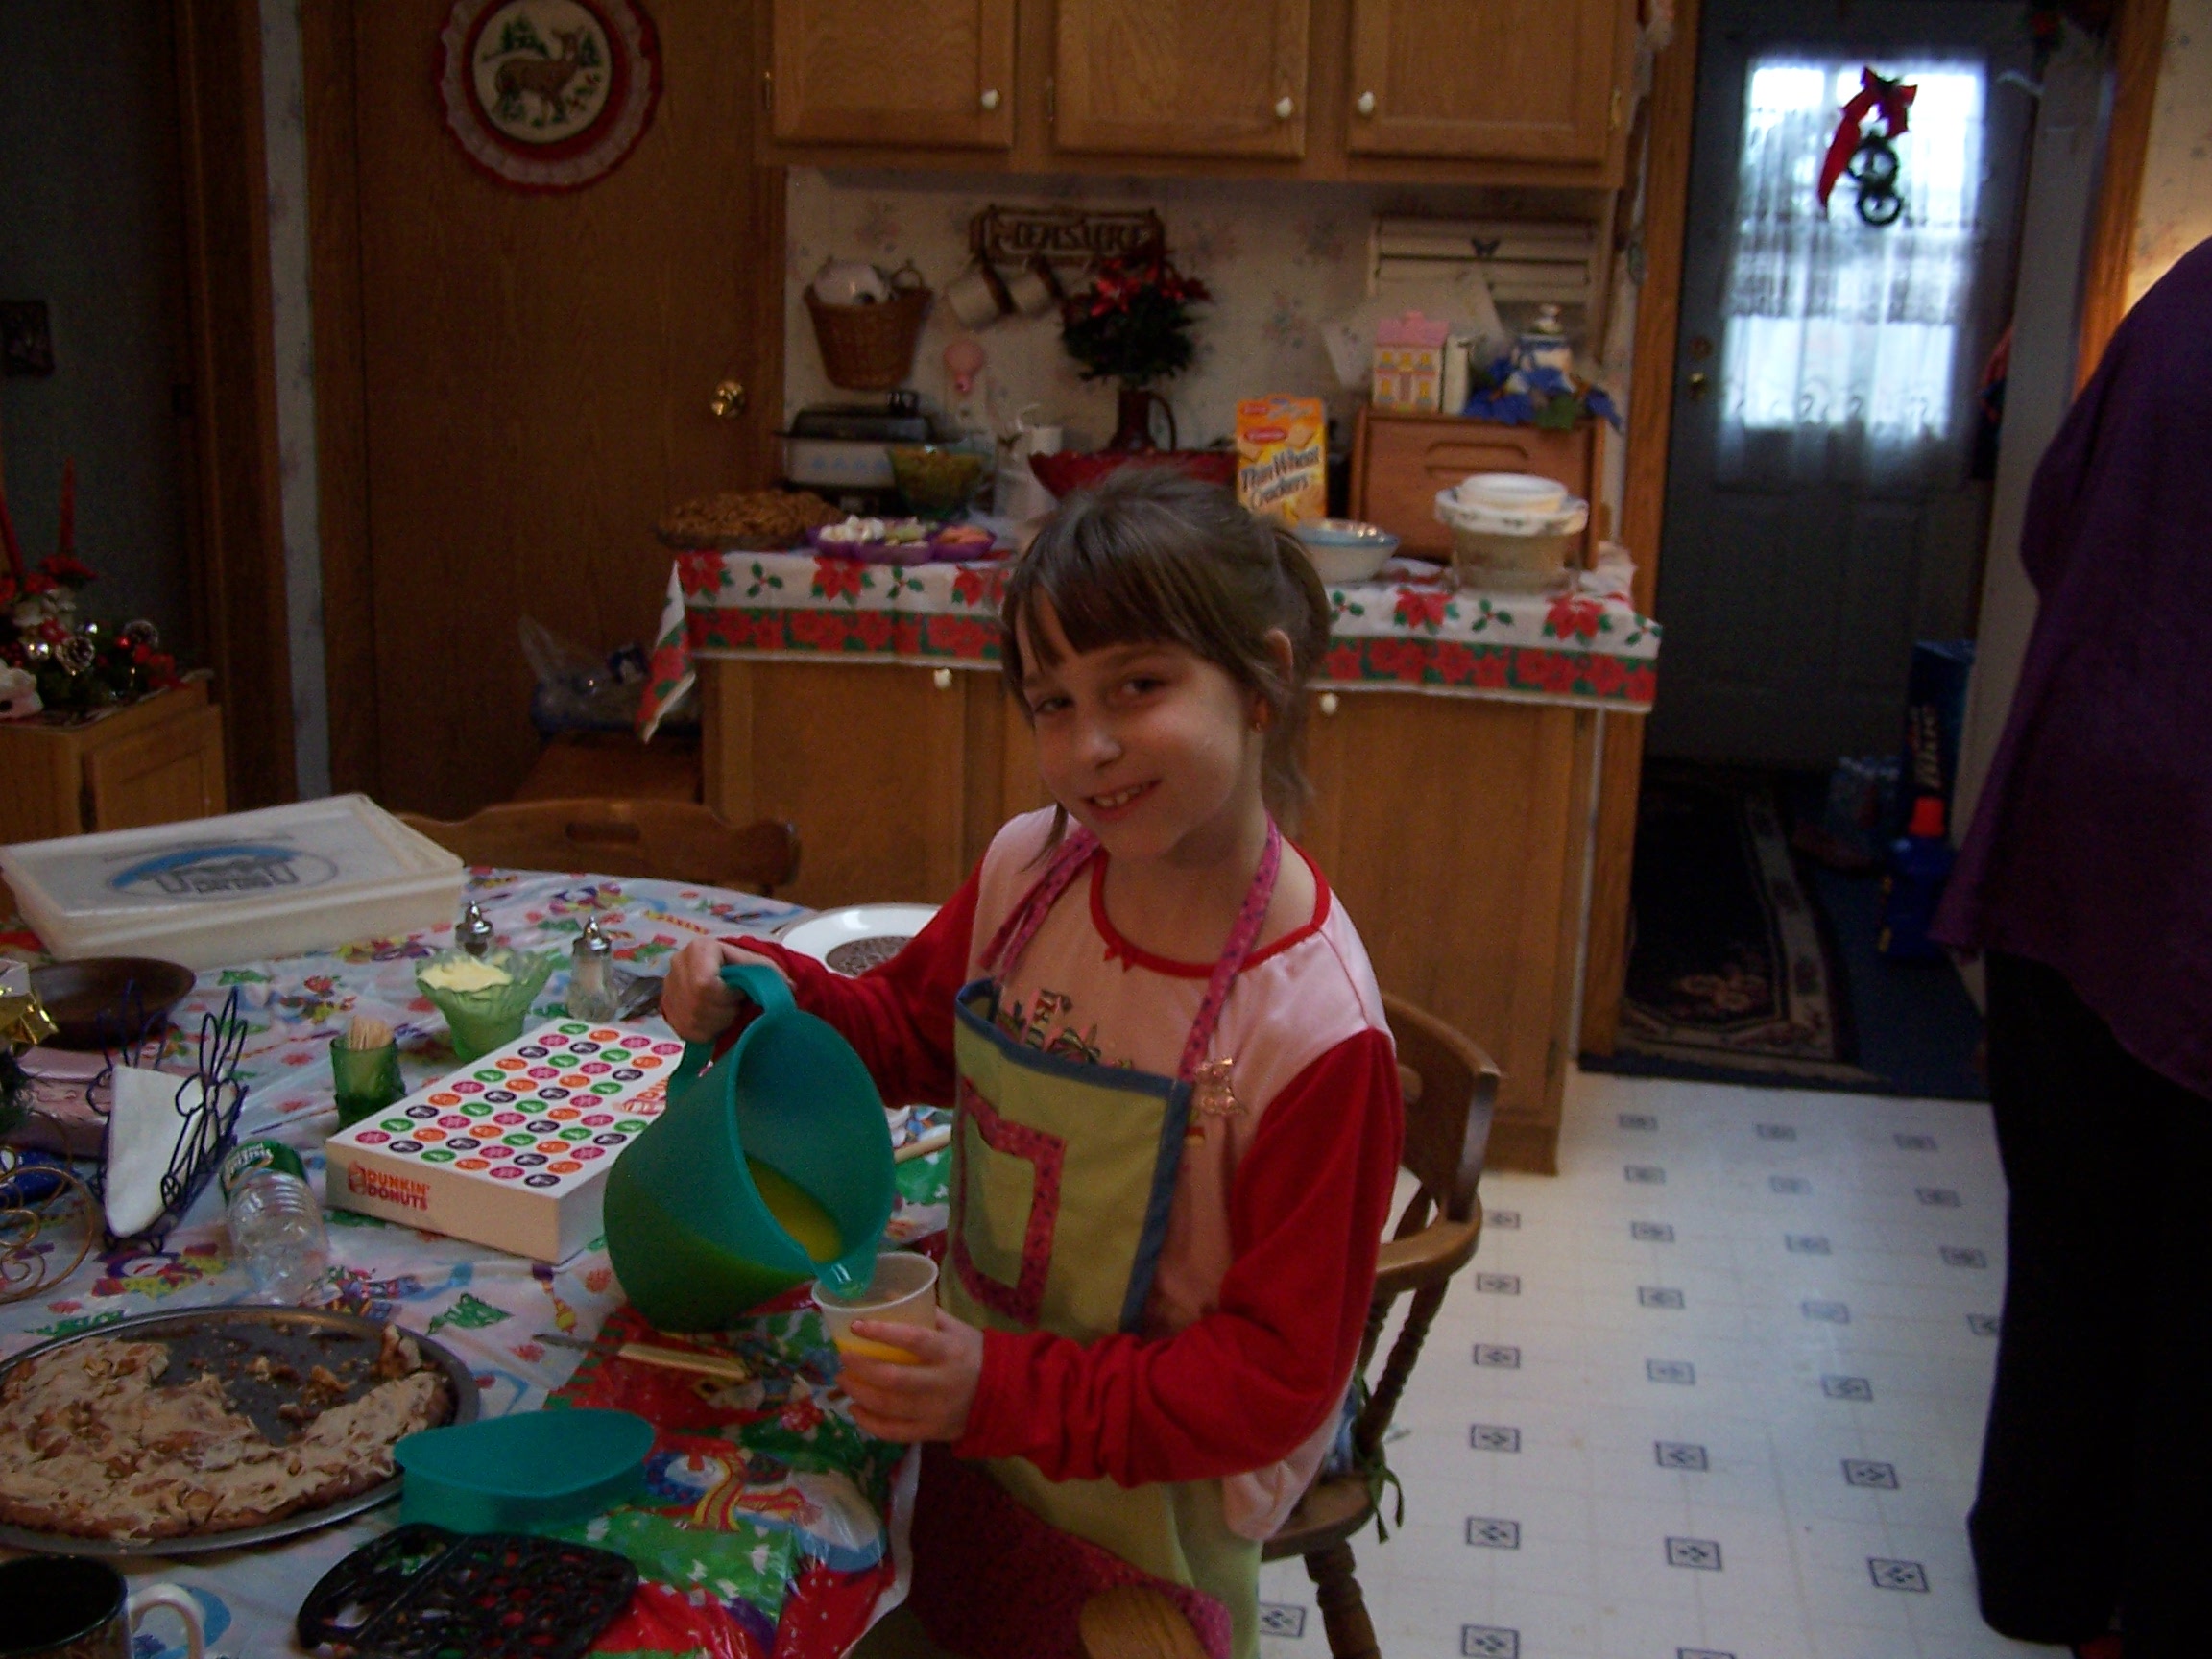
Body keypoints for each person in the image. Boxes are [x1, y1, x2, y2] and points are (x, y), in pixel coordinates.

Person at [661, 467, 1406, 1659]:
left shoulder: (1313, 1034)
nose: (1092, 746)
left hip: (1144, 1510)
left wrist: (1004, 1391)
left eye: (1140, 686)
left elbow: (1273, 1381)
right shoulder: (1031, 873)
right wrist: (760, 994)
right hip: (968, 1437)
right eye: (1052, 702)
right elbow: (907, 1032)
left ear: (1262, 681)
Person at [1933, 237, 2212, 1659]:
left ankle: (2042, 1586)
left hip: (2075, 852)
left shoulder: (2188, 296)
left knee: (2078, 1267)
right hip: (2183, 914)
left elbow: (2052, 527)